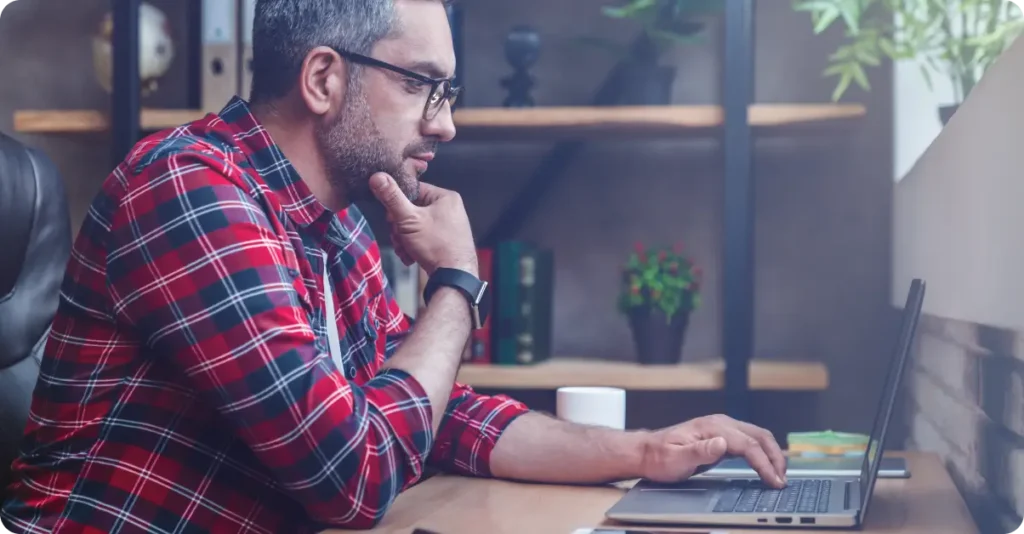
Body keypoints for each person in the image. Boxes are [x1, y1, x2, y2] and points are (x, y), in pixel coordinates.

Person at [1, 0, 787, 532]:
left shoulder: (341, 223)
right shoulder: (189, 191)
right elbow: (351, 478)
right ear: (322, 79)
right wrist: (456, 283)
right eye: (423, 87)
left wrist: (649, 454)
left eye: (448, 92)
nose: (445, 124)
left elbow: (431, 415)